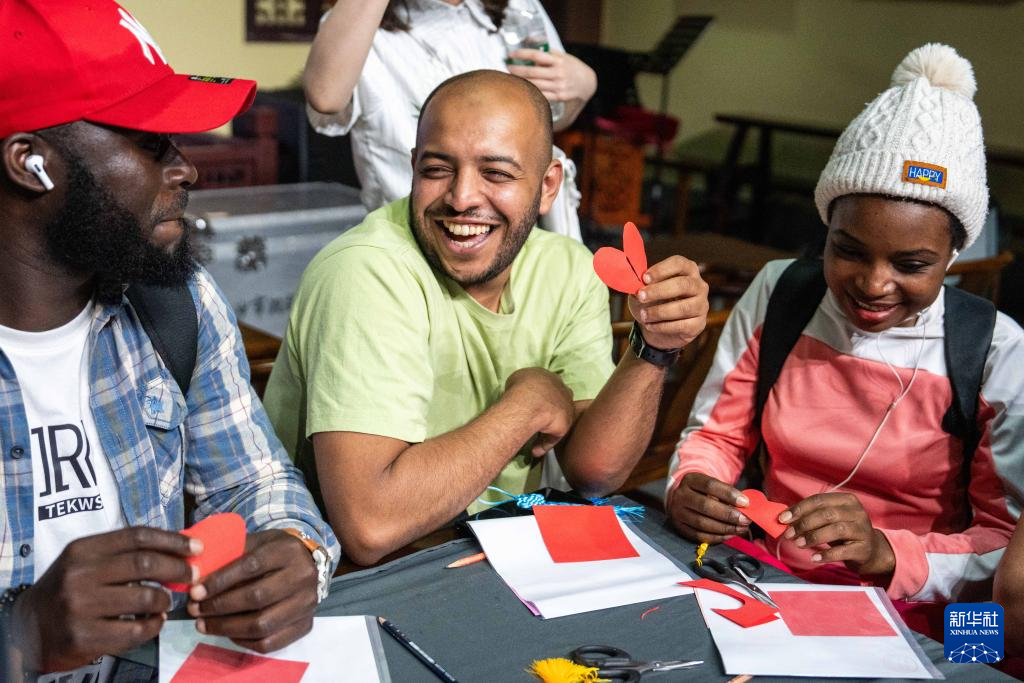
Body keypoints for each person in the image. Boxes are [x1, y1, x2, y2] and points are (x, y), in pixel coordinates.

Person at [0, 1, 339, 679]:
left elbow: (254, 479)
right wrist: (19, 635)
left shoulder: (174, 301)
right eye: (150, 143)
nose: (186, 169)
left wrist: (294, 546)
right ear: (30, 161)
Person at [264, 70, 709, 566]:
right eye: (437, 169)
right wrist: (528, 405)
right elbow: (370, 526)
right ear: (412, 168)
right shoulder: (367, 271)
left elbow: (596, 472)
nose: (462, 197)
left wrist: (654, 348)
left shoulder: (567, 267)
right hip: (354, 578)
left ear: (547, 187)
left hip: (496, 556)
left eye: (496, 173)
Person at [666, 44, 1023, 610]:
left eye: (911, 265)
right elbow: (717, 436)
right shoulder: (782, 292)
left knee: (973, 670)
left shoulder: (994, 351)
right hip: (764, 579)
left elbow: (1006, 551)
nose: (874, 285)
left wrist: (886, 553)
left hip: (927, 609)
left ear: (953, 255)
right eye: (848, 251)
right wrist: (691, 485)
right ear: (826, 227)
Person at [303, 0, 597, 240]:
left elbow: (547, 123)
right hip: (411, 245)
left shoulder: (517, 8)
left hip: (515, 242)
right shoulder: (365, 23)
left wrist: (583, 86)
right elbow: (326, 97)